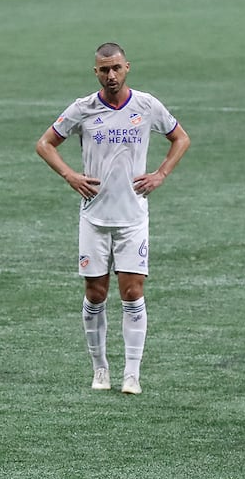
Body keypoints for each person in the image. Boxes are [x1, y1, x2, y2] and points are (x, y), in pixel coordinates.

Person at [34, 42, 190, 396]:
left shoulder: (147, 106)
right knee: (95, 292)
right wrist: (71, 176)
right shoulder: (83, 109)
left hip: (133, 217)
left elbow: (180, 138)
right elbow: (45, 144)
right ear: (96, 73)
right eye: (104, 70)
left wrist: (161, 174)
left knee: (132, 292)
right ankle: (100, 369)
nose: (111, 75)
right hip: (95, 218)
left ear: (127, 68)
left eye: (116, 68)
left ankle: (132, 374)